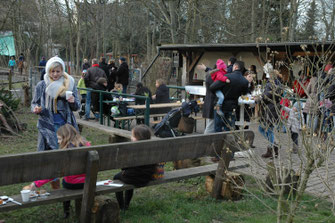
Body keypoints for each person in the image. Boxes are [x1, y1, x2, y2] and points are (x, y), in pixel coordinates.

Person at [24, 124, 89, 218]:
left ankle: (66, 210)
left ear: (66, 138)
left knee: (65, 182)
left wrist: (36, 184)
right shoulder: (87, 145)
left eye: (59, 139)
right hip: (87, 182)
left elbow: (54, 173)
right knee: (67, 180)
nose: (58, 142)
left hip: (73, 185)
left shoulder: (65, 153)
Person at [31, 56, 80, 151]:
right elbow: (34, 103)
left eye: (58, 71)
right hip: (46, 124)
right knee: (46, 154)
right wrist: (36, 108)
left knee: (64, 151)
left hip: (65, 125)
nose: (55, 74)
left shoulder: (69, 84)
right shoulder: (41, 85)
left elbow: (77, 107)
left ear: (62, 70)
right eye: (52, 71)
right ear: (48, 71)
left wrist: (73, 101)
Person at [113, 125, 156, 210]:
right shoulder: (152, 147)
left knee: (116, 177)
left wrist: (125, 170)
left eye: (133, 136)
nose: (131, 138)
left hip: (134, 178)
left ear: (138, 138)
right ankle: (127, 204)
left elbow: (124, 167)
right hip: (147, 176)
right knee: (129, 174)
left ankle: (122, 206)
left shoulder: (132, 149)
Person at [210, 61, 249, 132]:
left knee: (218, 128)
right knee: (229, 129)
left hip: (220, 106)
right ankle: (228, 143)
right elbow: (244, 93)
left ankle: (218, 143)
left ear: (236, 67)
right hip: (232, 106)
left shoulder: (227, 77)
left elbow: (212, 87)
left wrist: (218, 95)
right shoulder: (245, 81)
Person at [257, 68, 282, 158]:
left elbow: (266, 96)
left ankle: (272, 146)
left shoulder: (270, 84)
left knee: (264, 129)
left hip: (269, 109)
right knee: (268, 129)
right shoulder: (279, 84)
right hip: (275, 108)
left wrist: (259, 98)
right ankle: (273, 146)